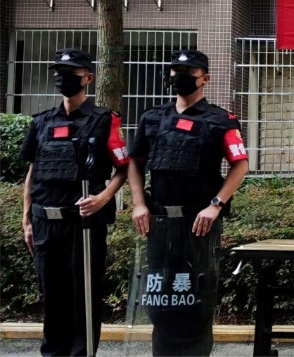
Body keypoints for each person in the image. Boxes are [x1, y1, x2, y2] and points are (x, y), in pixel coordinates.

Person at [128, 50, 250, 355]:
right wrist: (139, 204)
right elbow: (135, 162)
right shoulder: (152, 117)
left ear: (204, 78)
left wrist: (216, 204)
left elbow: (240, 164)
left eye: (188, 73)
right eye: (175, 72)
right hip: (159, 222)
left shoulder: (221, 120)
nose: (179, 78)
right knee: (160, 294)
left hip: (199, 223)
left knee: (196, 295)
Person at [20, 49, 130, 356]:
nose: (63, 78)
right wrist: (26, 219)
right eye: (59, 73)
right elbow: (32, 172)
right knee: (51, 297)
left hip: (83, 224)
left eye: (71, 73)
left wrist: (103, 198)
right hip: (45, 223)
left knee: (84, 296)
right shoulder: (42, 122)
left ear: (88, 78)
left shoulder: (105, 120)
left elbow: (123, 168)